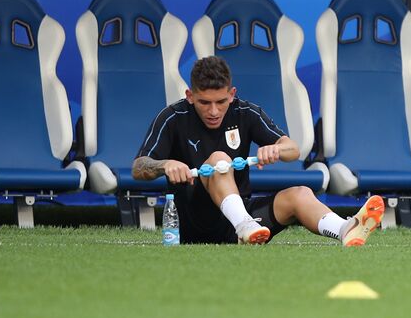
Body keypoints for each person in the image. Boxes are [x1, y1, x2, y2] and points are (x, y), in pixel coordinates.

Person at [133, 55, 383, 246]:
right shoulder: (172, 117)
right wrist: (164, 164)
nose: (213, 111)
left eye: (221, 102)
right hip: (194, 224)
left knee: (300, 193)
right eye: (204, 103)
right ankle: (244, 225)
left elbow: (292, 149)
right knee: (220, 160)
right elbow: (139, 167)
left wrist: (274, 150)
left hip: (248, 221)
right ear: (190, 96)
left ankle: (345, 229)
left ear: (232, 94)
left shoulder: (246, 112)